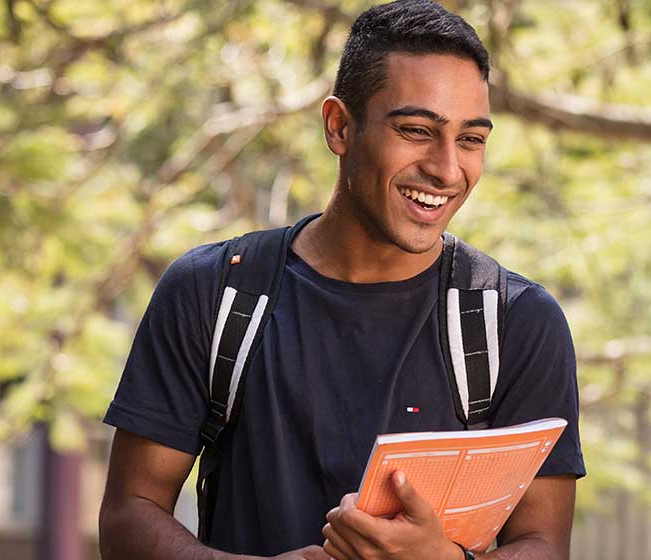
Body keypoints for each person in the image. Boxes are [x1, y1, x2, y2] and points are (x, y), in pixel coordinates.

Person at [98, 1, 583, 558]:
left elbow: (544, 544)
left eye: (471, 139)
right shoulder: (214, 293)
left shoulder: (516, 321)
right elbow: (127, 519)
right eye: (416, 130)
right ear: (339, 127)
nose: (447, 169)